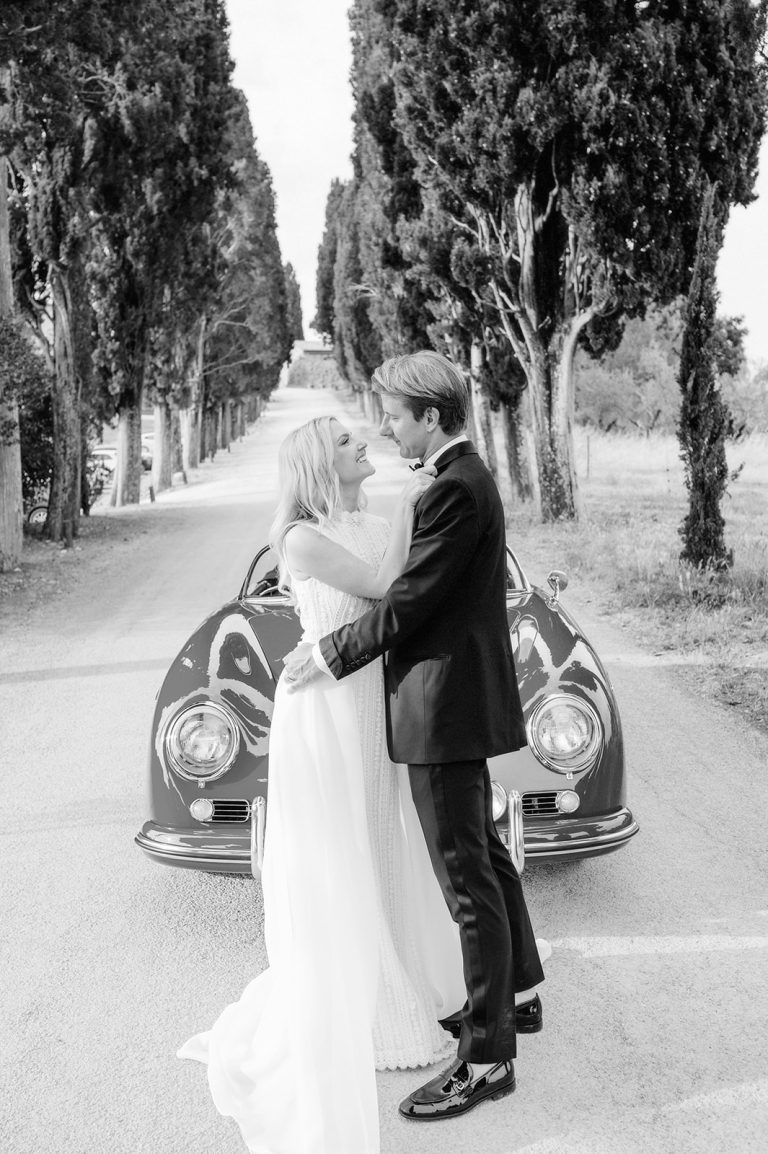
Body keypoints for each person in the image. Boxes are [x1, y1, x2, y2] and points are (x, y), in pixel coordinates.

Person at [177, 414, 471, 1154]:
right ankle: (364, 1010)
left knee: (383, 843)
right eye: (345, 442)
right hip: (328, 711)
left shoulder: (366, 516)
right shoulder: (304, 537)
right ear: (318, 464)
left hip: (372, 702)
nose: (361, 445)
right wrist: (413, 507)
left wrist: (403, 517)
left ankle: (395, 978)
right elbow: (381, 584)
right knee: (342, 854)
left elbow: (408, 595)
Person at [284, 350, 546, 1123]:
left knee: (467, 879)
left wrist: (332, 653)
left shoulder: (455, 490)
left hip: (443, 709)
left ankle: (488, 1058)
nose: (385, 428)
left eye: (395, 415)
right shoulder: (456, 483)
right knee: (488, 861)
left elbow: (410, 603)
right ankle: (517, 997)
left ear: (429, 415)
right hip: (451, 703)